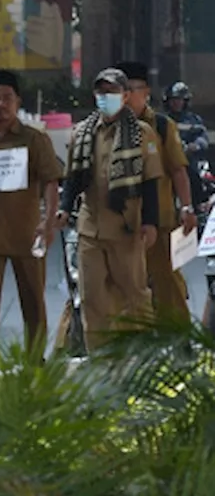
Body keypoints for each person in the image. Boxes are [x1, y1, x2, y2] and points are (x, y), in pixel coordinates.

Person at [54, 68, 163, 351]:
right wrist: (64, 208)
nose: (106, 97)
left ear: (126, 96)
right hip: (90, 226)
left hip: (127, 227)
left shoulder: (142, 134)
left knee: (135, 295)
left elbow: (150, 183)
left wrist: (151, 223)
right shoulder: (82, 133)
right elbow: (73, 178)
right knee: (92, 298)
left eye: (112, 92)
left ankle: (140, 354)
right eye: (101, 92)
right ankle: (100, 360)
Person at [0, 70, 64, 354]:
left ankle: (35, 362)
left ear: (17, 101)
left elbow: (51, 181)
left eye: (7, 98)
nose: (0, 105)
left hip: (27, 234)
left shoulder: (34, 139)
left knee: (33, 301)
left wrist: (48, 221)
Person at [118, 60, 196, 322]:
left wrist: (186, 207)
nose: (126, 98)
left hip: (161, 222)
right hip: (119, 225)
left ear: (146, 92)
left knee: (168, 286)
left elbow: (178, 171)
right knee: (121, 288)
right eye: (121, 91)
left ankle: (179, 343)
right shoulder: (107, 127)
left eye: (133, 90)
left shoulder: (162, 126)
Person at [164, 81, 213, 211]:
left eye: (180, 99)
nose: (176, 103)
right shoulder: (163, 120)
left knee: (194, 177)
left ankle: (197, 206)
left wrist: (195, 146)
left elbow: (203, 139)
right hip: (167, 165)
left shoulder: (193, 120)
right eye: (173, 100)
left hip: (188, 163)